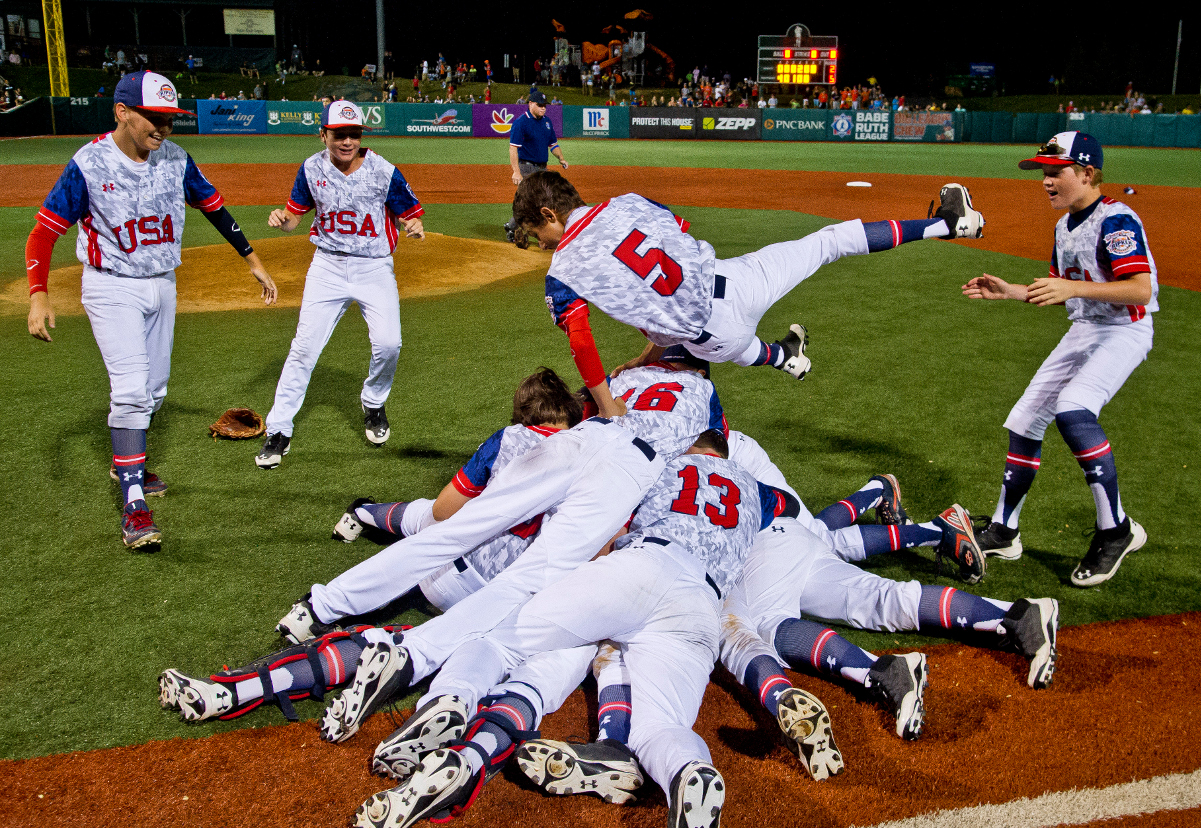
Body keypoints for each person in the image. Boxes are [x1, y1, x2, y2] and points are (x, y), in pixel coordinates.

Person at [24, 71, 277, 549]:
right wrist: (39, 293)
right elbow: (44, 232)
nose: (162, 129)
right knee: (132, 390)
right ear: (122, 112)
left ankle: (133, 463)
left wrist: (253, 261)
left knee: (154, 390)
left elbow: (215, 209)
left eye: (170, 120)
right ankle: (135, 504)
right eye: (153, 118)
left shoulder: (176, 159)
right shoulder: (90, 163)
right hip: (110, 287)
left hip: (162, 284)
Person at [513, 172, 985, 418]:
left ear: (550, 213)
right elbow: (673, 256)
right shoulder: (629, 203)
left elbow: (583, 340)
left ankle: (787, 359)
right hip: (734, 279)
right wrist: (642, 358)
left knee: (738, 349)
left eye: (536, 232)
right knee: (826, 242)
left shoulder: (564, 268)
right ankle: (950, 223)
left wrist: (610, 400)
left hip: (713, 335)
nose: (540, 243)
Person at [963, 131, 1157, 587]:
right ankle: (1005, 530)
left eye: (1056, 172)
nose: (1046, 181)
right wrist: (1011, 291)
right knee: (1025, 419)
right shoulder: (1064, 224)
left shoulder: (1116, 219)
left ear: (1087, 173)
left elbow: (1140, 290)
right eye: (1045, 173)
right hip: (1085, 329)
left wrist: (1072, 289)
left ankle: (1116, 530)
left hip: (1124, 330)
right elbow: (1059, 286)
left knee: (1073, 410)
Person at [255, 101, 425, 469]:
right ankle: (279, 429)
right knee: (304, 348)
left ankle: (374, 402)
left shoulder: (384, 171)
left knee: (389, 343)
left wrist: (414, 227)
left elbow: (410, 216)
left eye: (354, 134)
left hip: (374, 268)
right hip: (327, 267)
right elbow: (294, 218)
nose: (347, 141)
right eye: (339, 134)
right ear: (324, 135)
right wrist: (281, 219)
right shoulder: (311, 168)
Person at [501, 89, 568, 246]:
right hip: (526, 167)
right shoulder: (521, 123)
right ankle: (517, 229)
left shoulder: (547, 122)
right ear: (530, 104)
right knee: (529, 202)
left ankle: (512, 226)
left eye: (545, 105)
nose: (543, 108)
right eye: (539, 105)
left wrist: (561, 158)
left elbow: (553, 144)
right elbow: (513, 148)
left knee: (544, 202)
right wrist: (516, 171)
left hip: (542, 169)